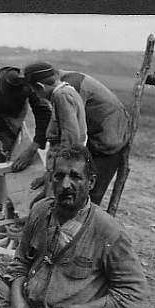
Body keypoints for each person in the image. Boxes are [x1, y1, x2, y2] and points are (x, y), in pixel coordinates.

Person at [0, 144, 147, 308]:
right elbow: (21, 262)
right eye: (59, 176)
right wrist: (17, 295)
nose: (66, 185)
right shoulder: (41, 211)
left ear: (90, 183)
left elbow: (134, 290)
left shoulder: (108, 231)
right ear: (51, 179)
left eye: (75, 176)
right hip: (29, 299)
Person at [24, 62, 130, 205]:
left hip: (108, 137)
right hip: (94, 135)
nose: (37, 96)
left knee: (86, 192)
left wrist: (53, 172)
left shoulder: (63, 93)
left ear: (40, 86)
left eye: (35, 92)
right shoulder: (62, 87)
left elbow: (69, 136)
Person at [0, 65, 51, 218]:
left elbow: (44, 114)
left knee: (4, 163)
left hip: (12, 119)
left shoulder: (29, 86)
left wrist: (33, 148)